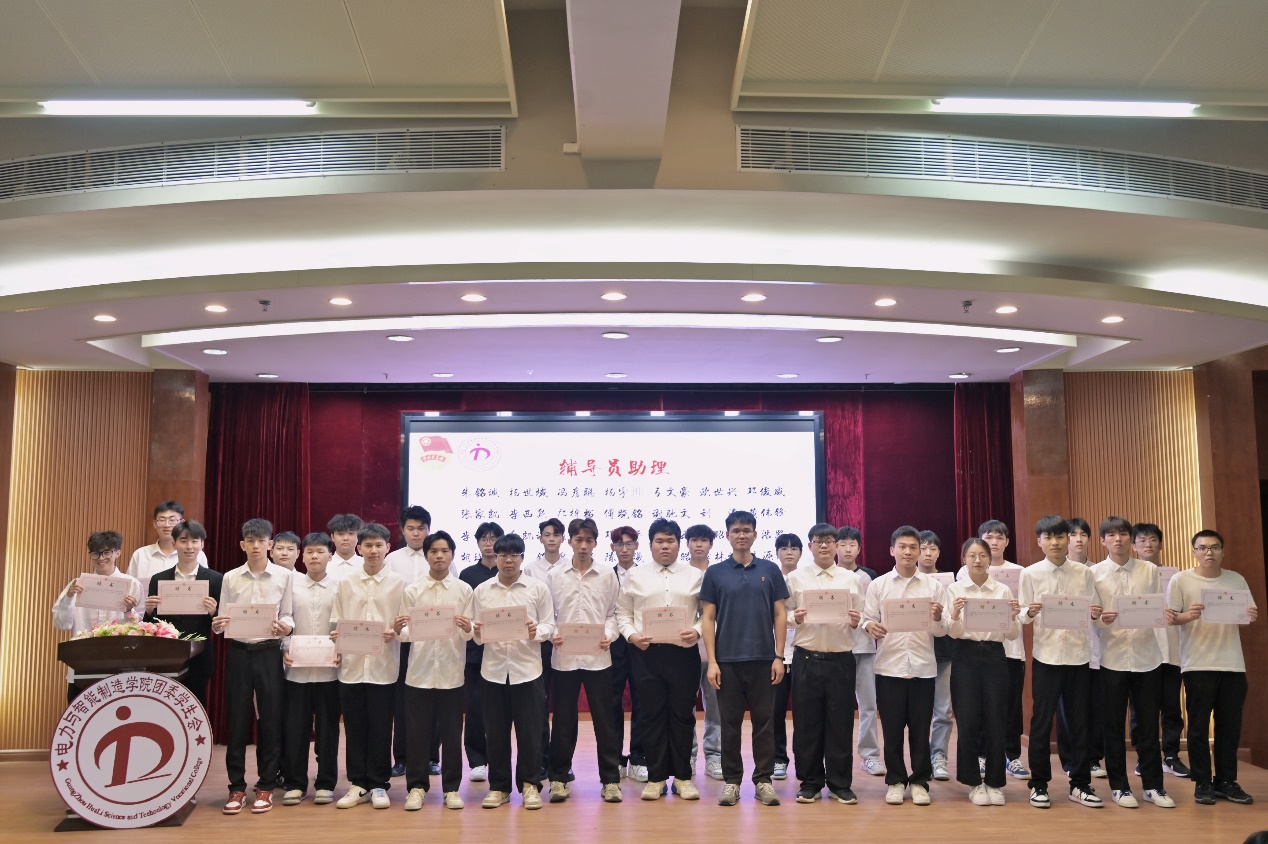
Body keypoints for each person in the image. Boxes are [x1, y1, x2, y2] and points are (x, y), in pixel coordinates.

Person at [700, 510, 789, 807]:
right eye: (736, 530)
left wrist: (779, 656)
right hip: (727, 661)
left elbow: (780, 613)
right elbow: (708, 618)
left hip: (764, 660)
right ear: (727, 535)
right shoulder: (715, 573)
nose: (741, 535)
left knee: (765, 724)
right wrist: (712, 661)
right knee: (729, 724)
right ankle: (732, 782)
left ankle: (763, 781)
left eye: (747, 530)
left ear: (755, 534)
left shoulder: (770, 570)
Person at [1168, 529, 1259, 805]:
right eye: (1203, 547)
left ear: (1222, 551)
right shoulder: (1181, 579)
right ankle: (1203, 781)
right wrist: (1189, 615)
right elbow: (1170, 617)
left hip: (1232, 664)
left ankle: (1226, 781)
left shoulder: (1236, 579)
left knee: (1229, 726)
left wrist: (1250, 615)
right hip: (1198, 663)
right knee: (1198, 727)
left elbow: (1247, 615)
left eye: (1215, 547)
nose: (1209, 552)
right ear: (1194, 551)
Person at [211, 518, 295, 816]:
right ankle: (236, 787)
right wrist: (218, 624)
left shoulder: (284, 576)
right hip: (239, 652)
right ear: (242, 545)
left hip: (269, 653)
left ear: (270, 544)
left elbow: (288, 614)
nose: (256, 546)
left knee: (270, 720)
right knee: (237, 720)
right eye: (250, 541)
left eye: (261, 541)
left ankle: (266, 785)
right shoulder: (231, 577)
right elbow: (222, 619)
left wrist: (285, 627)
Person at [1018, 515, 1103, 810]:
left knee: (1079, 722)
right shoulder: (1030, 574)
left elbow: (1094, 610)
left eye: (1060, 536)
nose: (1054, 543)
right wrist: (1030, 612)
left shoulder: (1084, 573)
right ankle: (1039, 784)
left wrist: (1095, 613)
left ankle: (1079, 784)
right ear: (1039, 541)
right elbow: (1021, 615)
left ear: (1068, 539)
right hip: (1047, 657)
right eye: (1048, 537)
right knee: (1041, 723)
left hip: (1079, 656)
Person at [1091, 516, 1175, 809]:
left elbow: (1154, 607)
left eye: (1123, 534)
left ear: (1131, 539)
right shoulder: (1094, 574)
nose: (1118, 539)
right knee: (1113, 726)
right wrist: (1101, 618)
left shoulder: (1149, 570)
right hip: (1111, 658)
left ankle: (1153, 786)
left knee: (1149, 725)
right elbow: (1093, 617)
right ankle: (1119, 786)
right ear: (1103, 540)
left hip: (1147, 657)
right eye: (1112, 535)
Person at [617, 518, 704, 801]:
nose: (665, 546)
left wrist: (697, 630)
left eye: (670, 541)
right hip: (646, 654)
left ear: (679, 544)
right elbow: (622, 613)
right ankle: (655, 778)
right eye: (659, 541)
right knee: (651, 716)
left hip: (683, 654)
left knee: (683, 716)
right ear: (650, 544)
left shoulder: (695, 575)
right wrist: (632, 635)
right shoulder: (635, 575)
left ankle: (682, 778)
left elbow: (707, 614)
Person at [861, 525, 948, 807]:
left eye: (913, 547)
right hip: (889, 667)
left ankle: (920, 781)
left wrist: (938, 617)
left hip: (923, 667)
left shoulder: (933, 587)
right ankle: (896, 781)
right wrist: (869, 626)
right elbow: (867, 618)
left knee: (921, 729)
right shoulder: (879, 585)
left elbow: (942, 631)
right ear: (892, 550)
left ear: (920, 551)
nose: (908, 552)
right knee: (893, 730)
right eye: (902, 547)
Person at [471, 533, 555, 810]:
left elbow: (549, 625)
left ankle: (530, 785)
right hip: (493, 671)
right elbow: (474, 631)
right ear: (495, 557)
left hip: (527, 670)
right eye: (503, 555)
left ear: (522, 558)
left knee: (530, 732)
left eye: (514, 555)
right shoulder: (482, 590)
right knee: (495, 732)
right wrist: (477, 631)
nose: (508, 561)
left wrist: (535, 631)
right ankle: (499, 787)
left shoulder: (537, 588)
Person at [545, 518, 624, 803]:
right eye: (578, 540)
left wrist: (609, 635)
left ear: (595, 544)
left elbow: (613, 613)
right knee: (563, 721)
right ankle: (558, 778)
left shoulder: (606, 575)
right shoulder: (555, 575)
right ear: (569, 542)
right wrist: (552, 634)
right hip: (564, 658)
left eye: (588, 540)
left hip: (598, 658)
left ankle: (610, 781)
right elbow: (547, 615)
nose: (583, 546)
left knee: (605, 721)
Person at [394, 530, 473, 811]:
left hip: (452, 672)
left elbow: (470, 634)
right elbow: (404, 633)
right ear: (426, 555)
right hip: (419, 673)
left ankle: (451, 789)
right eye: (434, 551)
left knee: (452, 735)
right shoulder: (413, 590)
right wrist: (399, 629)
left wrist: (468, 627)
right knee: (417, 733)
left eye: (444, 551)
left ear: (452, 555)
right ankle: (417, 787)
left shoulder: (464, 590)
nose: (439, 556)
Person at [331, 523, 407, 810]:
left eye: (379, 545)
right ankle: (358, 783)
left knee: (381, 727)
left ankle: (378, 783)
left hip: (383, 666)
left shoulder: (400, 583)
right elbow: (338, 621)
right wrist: (337, 637)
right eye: (368, 545)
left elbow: (404, 626)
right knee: (354, 727)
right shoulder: (346, 582)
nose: (373, 550)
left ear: (388, 547)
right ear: (359, 548)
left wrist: (395, 632)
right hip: (351, 667)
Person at [786, 523, 863, 804]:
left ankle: (840, 783)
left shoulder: (851, 579)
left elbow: (861, 616)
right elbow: (783, 615)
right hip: (807, 658)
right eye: (818, 541)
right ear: (809, 546)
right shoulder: (796, 578)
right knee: (807, 724)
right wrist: (795, 617)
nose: (824, 546)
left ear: (837, 545)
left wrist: (856, 620)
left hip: (841, 660)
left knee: (840, 723)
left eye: (830, 541)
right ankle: (810, 782)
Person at [945, 537, 1020, 806]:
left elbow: (1012, 634)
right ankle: (974, 782)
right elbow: (951, 631)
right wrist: (955, 614)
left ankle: (995, 782)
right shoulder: (955, 590)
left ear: (990, 559)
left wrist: (1013, 617)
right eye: (972, 555)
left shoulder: (1002, 590)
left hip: (995, 657)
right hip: (965, 656)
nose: (977, 560)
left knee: (996, 719)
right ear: (964, 559)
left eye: (983, 555)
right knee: (967, 719)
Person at [280, 532, 341, 807]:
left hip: (330, 671)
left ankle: (326, 783)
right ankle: (295, 783)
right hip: (297, 671)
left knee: (328, 729)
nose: (315, 556)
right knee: (296, 729)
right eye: (310, 552)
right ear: (302, 556)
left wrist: (342, 649)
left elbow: (343, 624)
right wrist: (285, 649)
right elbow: (284, 620)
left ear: (330, 555)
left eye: (320, 551)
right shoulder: (290, 586)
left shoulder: (340, 586)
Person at [969, 519, 1029, 781]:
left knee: (1011, 706)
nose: (994, 542)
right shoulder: (966, 571)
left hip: (1012, 649)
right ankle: (982, 754)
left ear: (1007, 542)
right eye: (989, 537)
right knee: (983, 705)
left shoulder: (1020, 572)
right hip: (981, 649)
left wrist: (1019, 612)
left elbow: (1025, 612)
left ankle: (1011, 756)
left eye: (999, 537)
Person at [53, 531, 142, 697]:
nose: (101, 558)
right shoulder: (77, 584)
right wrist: (68, 597)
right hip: (83, 663)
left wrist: (129, 611)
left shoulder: (132, 584)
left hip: (119, 664)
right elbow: (62, 624)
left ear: (117, 553)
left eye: (106, 552)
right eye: (95, 553)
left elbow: (140, 630)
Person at [143, 519, 222, 707]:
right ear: (174, 543)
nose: (189, 547)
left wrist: (214, 612)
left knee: (196, 707)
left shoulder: (215, 579)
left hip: (199, 656)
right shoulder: (159, 579)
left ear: (202, 544)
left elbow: (222, 625)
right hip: (166, 656)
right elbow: (151, 624)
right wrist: (149, 611)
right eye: (183, 541)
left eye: (195, 541)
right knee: (164, 707)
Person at [1132, 522, 1188, 778]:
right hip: (1141, 651)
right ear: (1134, 546)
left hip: (1171, 650)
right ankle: (1144, 757)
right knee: (1141, 710)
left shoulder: (1175, 575)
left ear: (1161, 544)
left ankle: (1171, 755)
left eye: (1153, 539)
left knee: (1172, 707)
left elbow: (1182, 611)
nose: (1148, 544)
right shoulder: (1130, 574)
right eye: (1142, 540)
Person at [385, 505, 434, 779]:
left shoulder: (439, 554)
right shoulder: (392, 559)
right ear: (402, 531)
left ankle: (432, 757)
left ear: (428, 529)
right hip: (403, 639)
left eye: (421, 528)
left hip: (434, 638)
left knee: (434, 695)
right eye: (411, 528)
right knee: (403, 700)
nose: (416, 534)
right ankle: (402, 758)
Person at [1057, 517, 1106, 781]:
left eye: (1083, 534)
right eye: (1072, 534)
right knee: (1067, 708)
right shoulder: (1058, 570)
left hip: (1096, 647)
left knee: (1095, 707)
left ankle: (1093, 759)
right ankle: (1069, 759)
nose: (1078, 539)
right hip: (1065, 648)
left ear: (1089, 539)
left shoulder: (1098, 572)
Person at [524, 517, 569, 783]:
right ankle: (540, 760)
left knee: (562, 706)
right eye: (547, 534)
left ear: (563, 539)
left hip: (566, 642)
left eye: (556, 534)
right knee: (538, 706)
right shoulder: (530, 569)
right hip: (539, 644)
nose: (551, 539)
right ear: (540, 538)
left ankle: (561, 763)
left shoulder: (570, 566)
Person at [459, 521, 504, 783]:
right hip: (475, 652)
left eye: (493, 538)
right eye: (484, 539)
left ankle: (499, 759)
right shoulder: (467, 574)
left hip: (504, 652)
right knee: (475, 708)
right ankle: (477, 761)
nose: (489, 543)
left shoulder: (508, 572)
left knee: (499, 711)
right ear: (477, 543)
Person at [839, 525, 884, 778]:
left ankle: (870, 756)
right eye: (842, 544)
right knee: (838, 707)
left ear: (859, 548)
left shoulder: (870, 576)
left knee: (868, 705)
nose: (847, 549)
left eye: (852, 544)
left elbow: (874, 611)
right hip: (837, 649)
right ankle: (838, 756)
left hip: (865, 648)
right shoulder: (829, 575)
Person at [685, 523, 722, 780]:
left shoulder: (719, 573)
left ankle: (715, 756)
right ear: (687, 543)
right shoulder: (679, 574)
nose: (699, 544)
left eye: (704, 540)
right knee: (685, 707)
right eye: (694, 540)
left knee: (716, 707)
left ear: (711, 544)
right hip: (685, 649)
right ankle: (687, 756)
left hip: (716, 651)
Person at [609, 525, 647, 781]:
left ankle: (639, 758)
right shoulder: (605, 575)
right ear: (612, 547)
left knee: (642, 701)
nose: (624, 549)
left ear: (637, 546)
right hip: (612, 646)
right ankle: (615, 760)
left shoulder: (645, 575)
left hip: (640, 644)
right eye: (619, 544)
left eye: (629, 544)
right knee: (612, 703)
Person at [918, 530, 952, 782]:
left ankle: (938, 757)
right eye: (923, 548)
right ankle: (920, 760)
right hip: (917, 653)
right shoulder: (904, 581)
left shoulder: (950, 582)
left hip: (944, 652)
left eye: (932, 548)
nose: (927, 553)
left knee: (943, 710)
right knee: (918, 713)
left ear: (939, 552)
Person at [772, 532, 802, 781]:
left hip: (803, 653)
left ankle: (804, 760)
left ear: (801, 552)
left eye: (794, 548)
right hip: (776, 654)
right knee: (775, 711)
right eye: (784, 548)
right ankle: (778, 759)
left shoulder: (806, 580)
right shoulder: (770, 579)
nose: (789, 552)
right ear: (777, 553)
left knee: (804, 712)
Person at [126, 501, 208, 592]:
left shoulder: (197, 554)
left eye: (172, 520)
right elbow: (130, 588)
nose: (167, 525)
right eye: (162, 520)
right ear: (154, 524)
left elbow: (204, 586)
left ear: (181, 523)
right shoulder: (140, 554)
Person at [326, 514, 364, 582]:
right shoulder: (324, 565)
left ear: (358, 536)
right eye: (340, 534)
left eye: (351, 533)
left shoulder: (366, 564)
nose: (345, 538)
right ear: (332, 537)